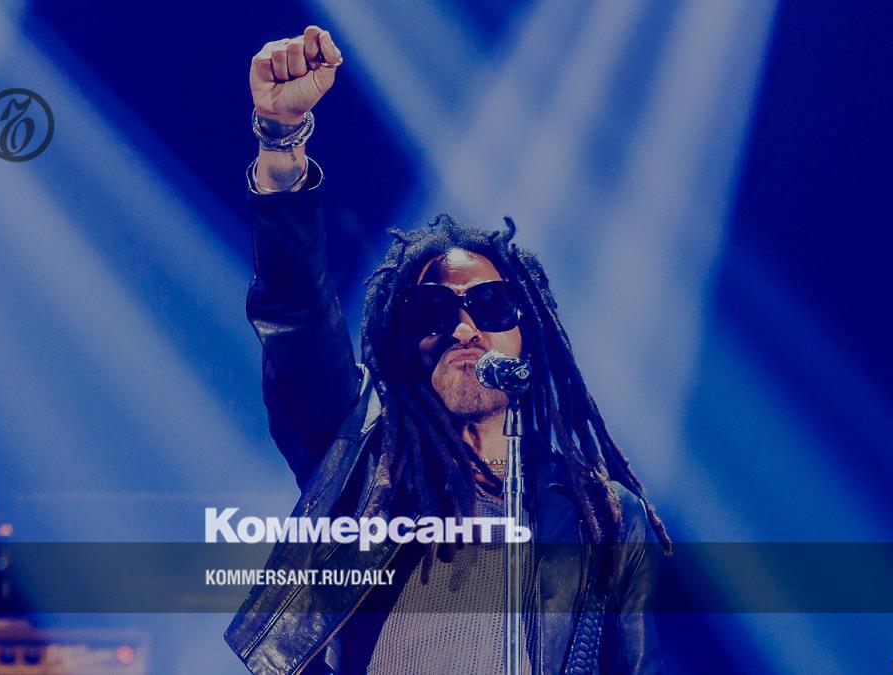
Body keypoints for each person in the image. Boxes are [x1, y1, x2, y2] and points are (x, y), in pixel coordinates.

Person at [225, 26, 670, 675]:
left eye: (490, 304)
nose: (464, 328)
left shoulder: (600, 516)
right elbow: (297, 319)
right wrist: (280, 141)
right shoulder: (364, 471)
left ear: (529, 336)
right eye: (433, 312)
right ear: (406, 347)